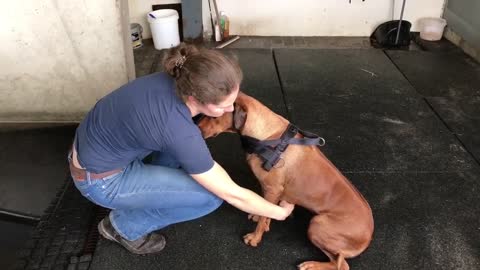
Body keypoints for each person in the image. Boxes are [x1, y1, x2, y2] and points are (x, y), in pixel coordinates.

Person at [68, 43, 294, 255]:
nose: (229, 110)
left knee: (190, 152)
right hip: (100, 181)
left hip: (94, 148)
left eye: (232, 101)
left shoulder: (177, 78)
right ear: (196, 97)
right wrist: (279, 213)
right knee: (209, 196)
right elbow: (230, 193)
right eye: (222, 105)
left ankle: (149, 189)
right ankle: (121, 228)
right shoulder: (176, 129)